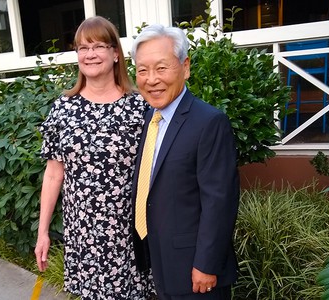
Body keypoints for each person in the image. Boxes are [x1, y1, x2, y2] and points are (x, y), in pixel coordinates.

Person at [34, 16, 155, 300]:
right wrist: (43, 232)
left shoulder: (140, 107)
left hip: (131, 230)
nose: (90, 54)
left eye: (99, 45)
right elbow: (53, 174)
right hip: (84, 234)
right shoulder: (63, 109)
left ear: (115, 54)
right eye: (82, 48)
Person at [130, 24, 240, 300]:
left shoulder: (208, 122)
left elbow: (220, 201)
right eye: (142, 70)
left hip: (196, 271)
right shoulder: (150, 119)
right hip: (161, 261)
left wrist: (206, 264)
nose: (151, 79)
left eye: (161, 68)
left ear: (185, 67)